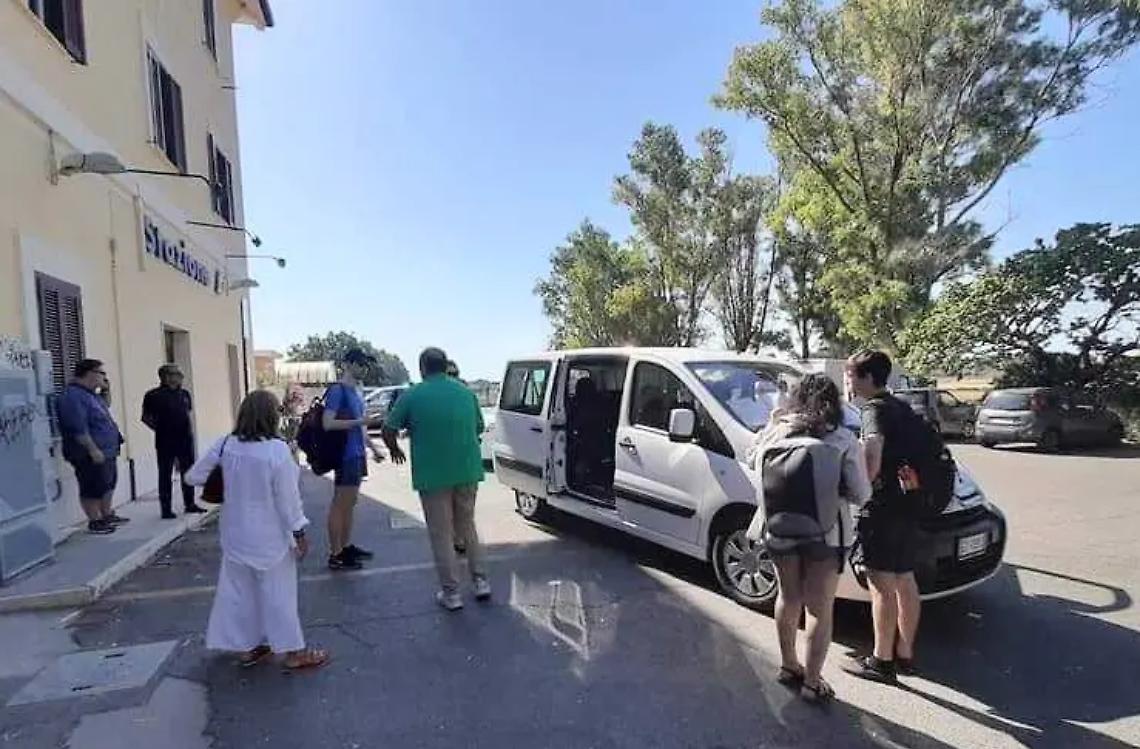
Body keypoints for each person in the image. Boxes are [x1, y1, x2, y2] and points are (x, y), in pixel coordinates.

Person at [747, 374, 871, 703]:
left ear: (797, 399)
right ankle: (812, 681)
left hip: (777, 528)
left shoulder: (776, 431)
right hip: (827, 534)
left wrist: (772, 423)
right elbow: (861, 494)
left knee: (788, 598)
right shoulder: (843, 438)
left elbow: (751, 464)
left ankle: (789, 666)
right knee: (819, 608)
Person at [186, 390, 328, 671]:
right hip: (270, 535)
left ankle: (249, 646)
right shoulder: (276, 450)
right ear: (270, 416)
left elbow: (194, 476)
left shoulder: (226, 444)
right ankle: (293, 652)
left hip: (234, 533)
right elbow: (288, 499)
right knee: (279, 595)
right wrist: (299, 532)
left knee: (240, 592)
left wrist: (229, 479)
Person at [382, 347, 488, 611]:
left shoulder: (413, 395)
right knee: (468, 527)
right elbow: (479, 427)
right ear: (444, 366)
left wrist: (394, 449)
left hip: (432, 475)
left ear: (422, 368)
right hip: (467, 470)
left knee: (441, 534)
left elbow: (388, 428)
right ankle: (481, 582)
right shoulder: (465, 393)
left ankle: (452, 594)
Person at [842, 350, 921, 684]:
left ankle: (881, 661)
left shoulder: (873, 412)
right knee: (905, 580)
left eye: (851, 375)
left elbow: (872, 464)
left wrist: (855, 485)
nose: (847, 381)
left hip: (884, 508)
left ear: (867, 378)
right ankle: (904, 652)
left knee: (881, 585)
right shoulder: (902, 407)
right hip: (910, 504)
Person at [323, 349, 385, 571]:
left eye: (365, 364)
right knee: (340, 503)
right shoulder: (338, 391)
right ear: (348, 364)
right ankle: (335, 553)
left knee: (349, 504)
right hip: (345, 455)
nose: (363, 368)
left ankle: (345, 547)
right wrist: (361, 421)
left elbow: (361, 426)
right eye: (359, 364)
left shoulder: (355, 392)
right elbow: (327, 423)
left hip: (357, 453)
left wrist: (374, 448)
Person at [57, 359, 127, 535]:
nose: (104, 376)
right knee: (92, 486)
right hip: (89, 452)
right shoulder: (72, 396)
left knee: (108, 483)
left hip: (107, 450)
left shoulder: (92, 394)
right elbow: (77, 427)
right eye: (101, 373)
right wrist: (92, 449)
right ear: (89, 373)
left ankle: (107, 515)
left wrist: (106, 390)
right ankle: (95, 521)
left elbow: (105, 407)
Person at [142, 364, 207, 519]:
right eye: (177, 374)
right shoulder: (153, 395)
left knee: (188, 471)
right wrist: (160, 429)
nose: (180, 377)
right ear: (166, 376)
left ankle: (189, 503)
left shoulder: (184, 394)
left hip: (185, 439)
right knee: (165, 474)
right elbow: (146, 418)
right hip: (165, 440)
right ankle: (166, 509)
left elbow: (187, 412)